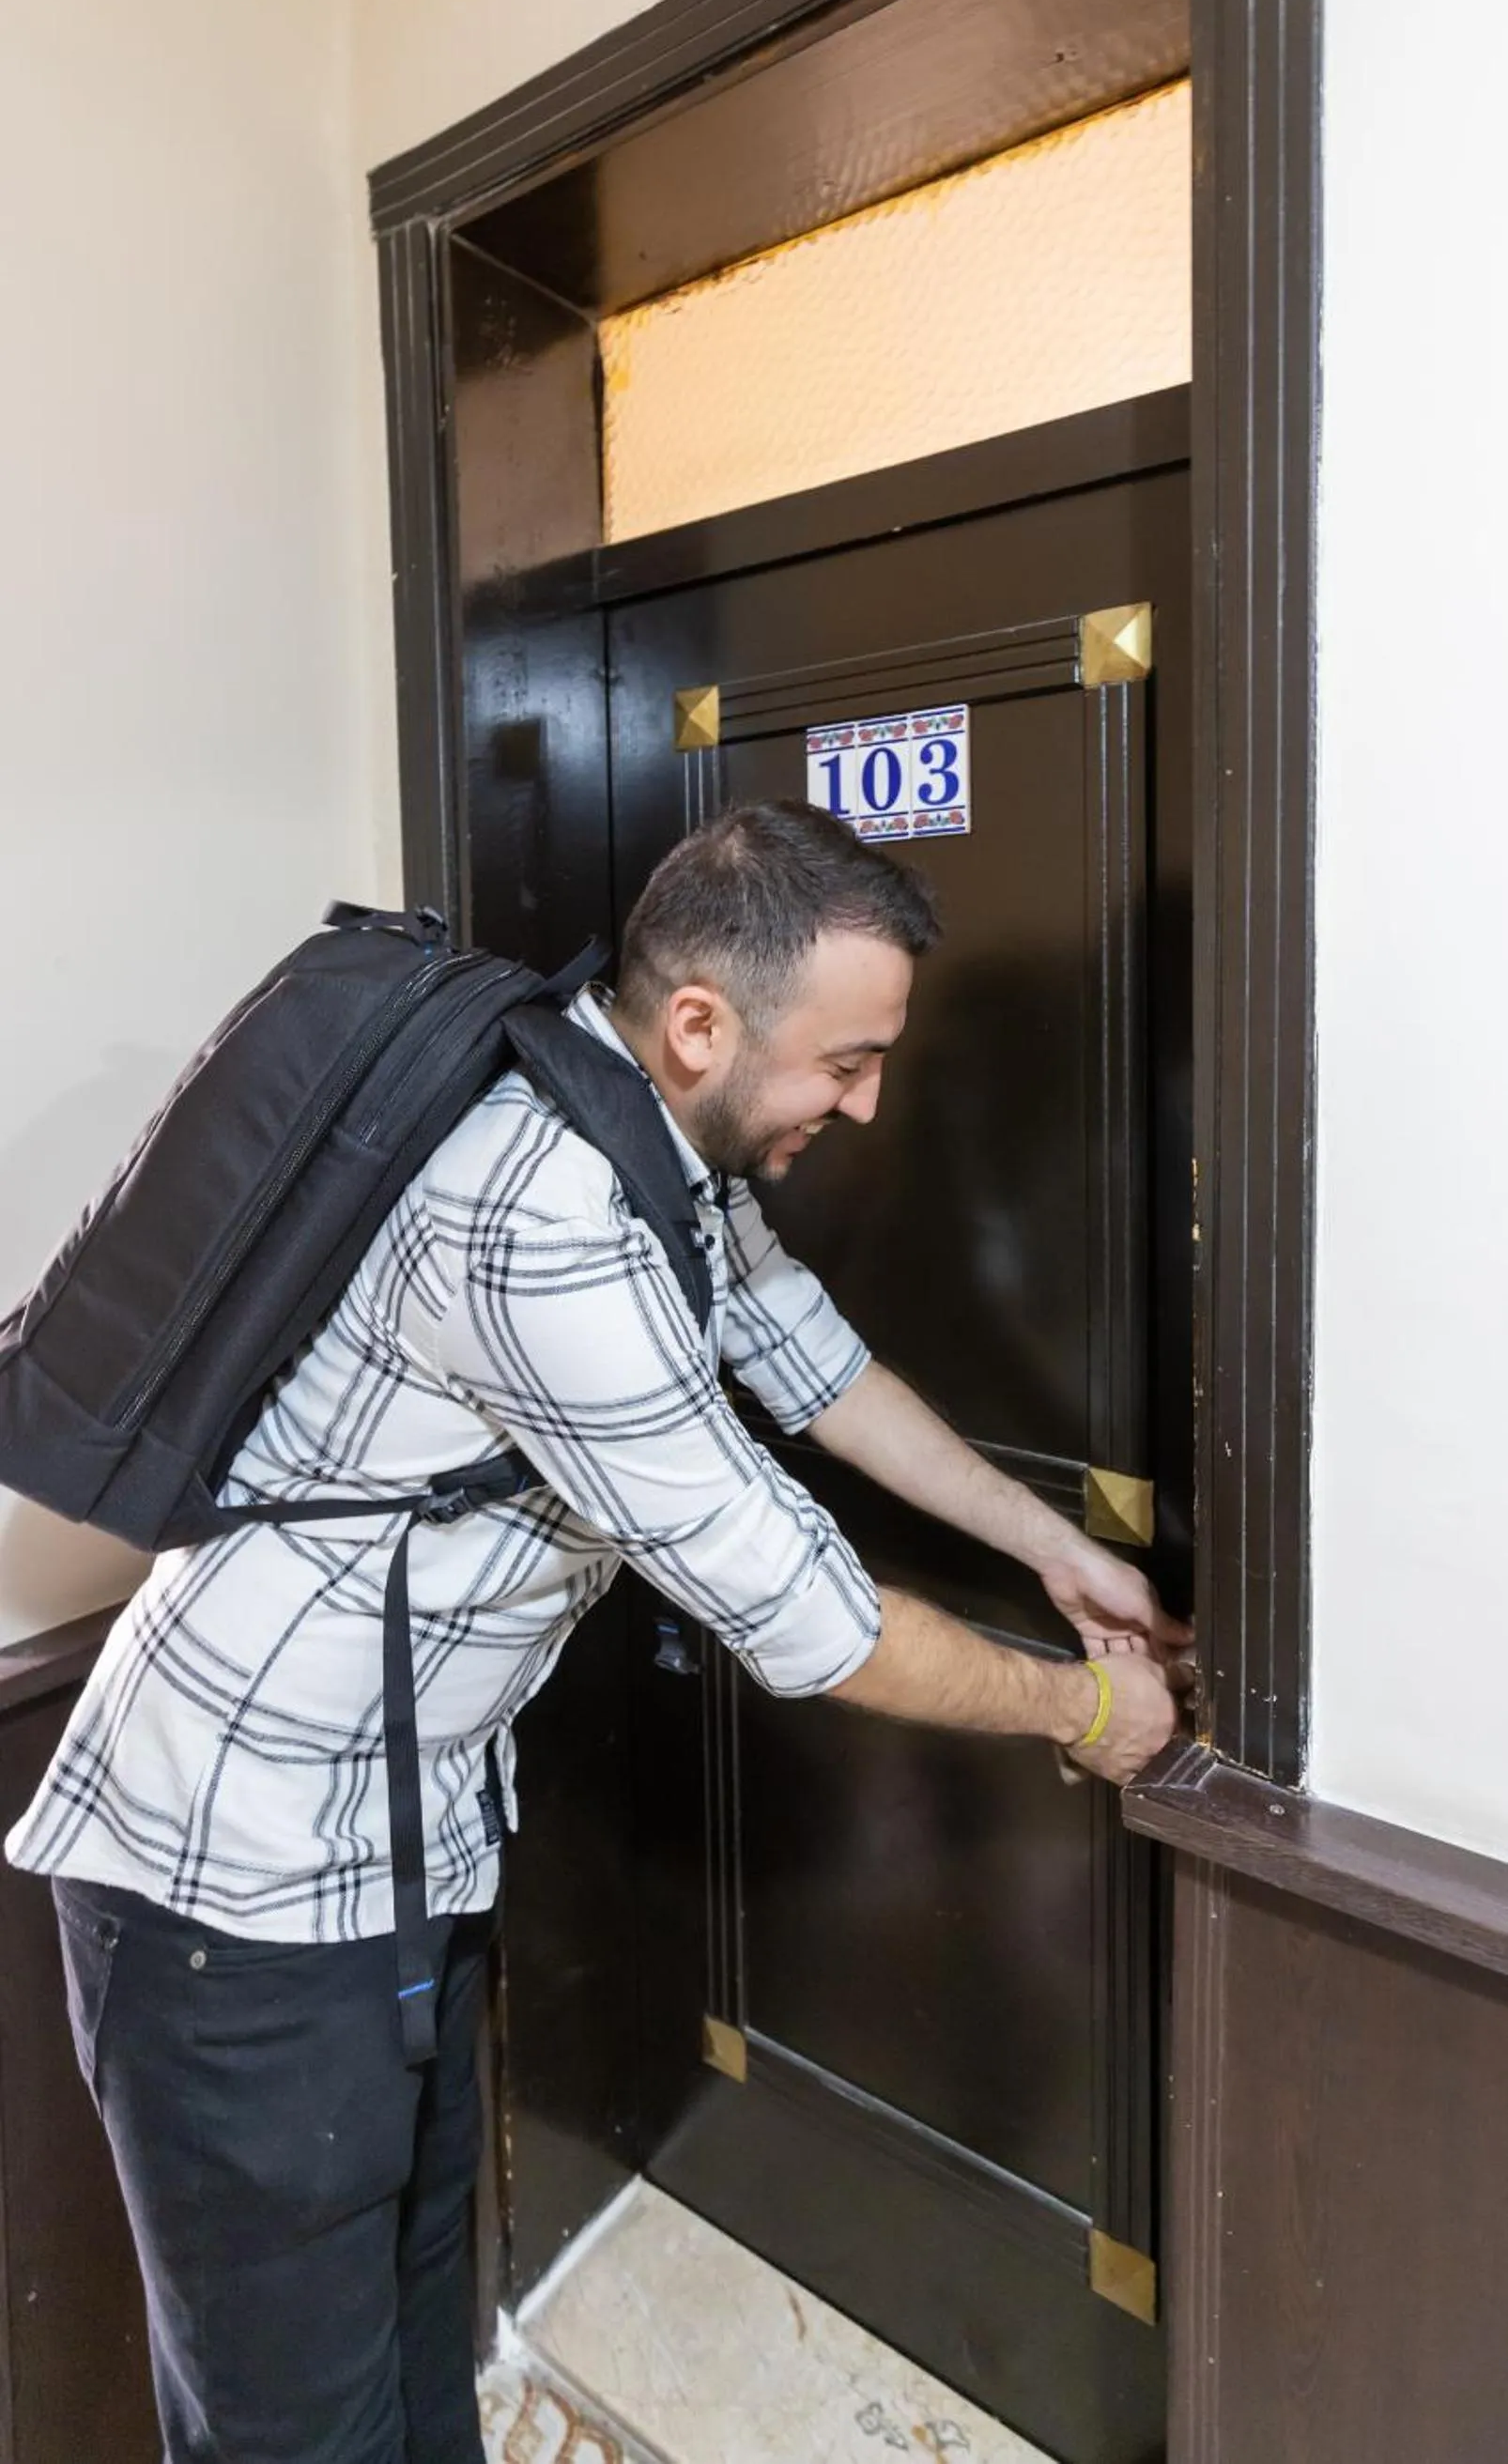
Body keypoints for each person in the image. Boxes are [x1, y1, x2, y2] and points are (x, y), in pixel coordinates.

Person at [7, 799, 1190, 2463]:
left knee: (416, 2374)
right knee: (291, 2432)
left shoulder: (652, 1139)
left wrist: (1060, 1548)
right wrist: (1087, 1716)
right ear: (701, 1020)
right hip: (231, 1892)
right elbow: (809, 1624)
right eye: (843, 1062)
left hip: (399, 1853)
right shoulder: (538, 1209)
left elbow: (808, 1356)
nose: (867, 1102)